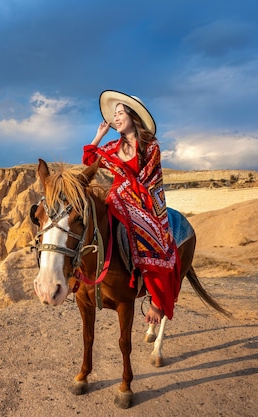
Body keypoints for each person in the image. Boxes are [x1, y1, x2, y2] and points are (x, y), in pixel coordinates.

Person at [82, 90, 180, 325]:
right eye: (114, 114)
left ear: (133, 117)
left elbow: (148, 178)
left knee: (154, 240)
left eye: (120, 113)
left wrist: (128, 188)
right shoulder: (112, 146)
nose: (115, 118)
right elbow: (89, 159)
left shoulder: (150, 146)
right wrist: (98, 135)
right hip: (117, 197)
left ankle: (156, 301)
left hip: (143, 199)